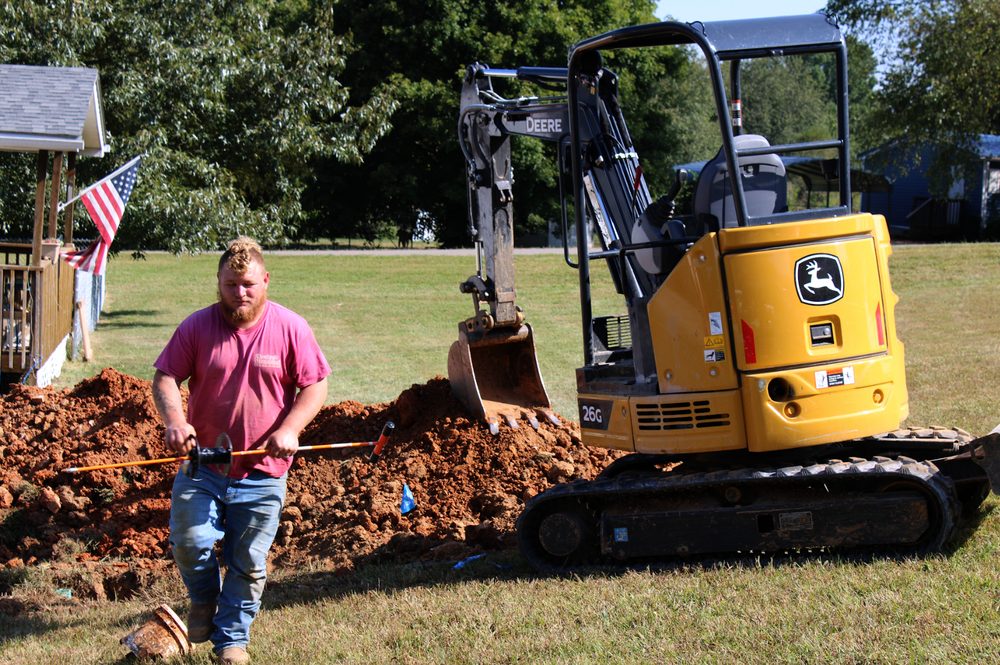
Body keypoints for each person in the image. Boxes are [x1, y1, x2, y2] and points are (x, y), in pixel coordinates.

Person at [152, 237, 330, 665]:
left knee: (248, 561)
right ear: (218, 281)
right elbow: (164, 378)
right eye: (231, 284)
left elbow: (315, 384)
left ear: (265, 280)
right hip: (204, 467)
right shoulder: (196, 327)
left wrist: (290, 428)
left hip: (264, 470)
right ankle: (203, 598)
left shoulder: (291, 328)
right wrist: (176, 422)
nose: (240, 293)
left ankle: (232, 641)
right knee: (190, 542)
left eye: (248, 284)